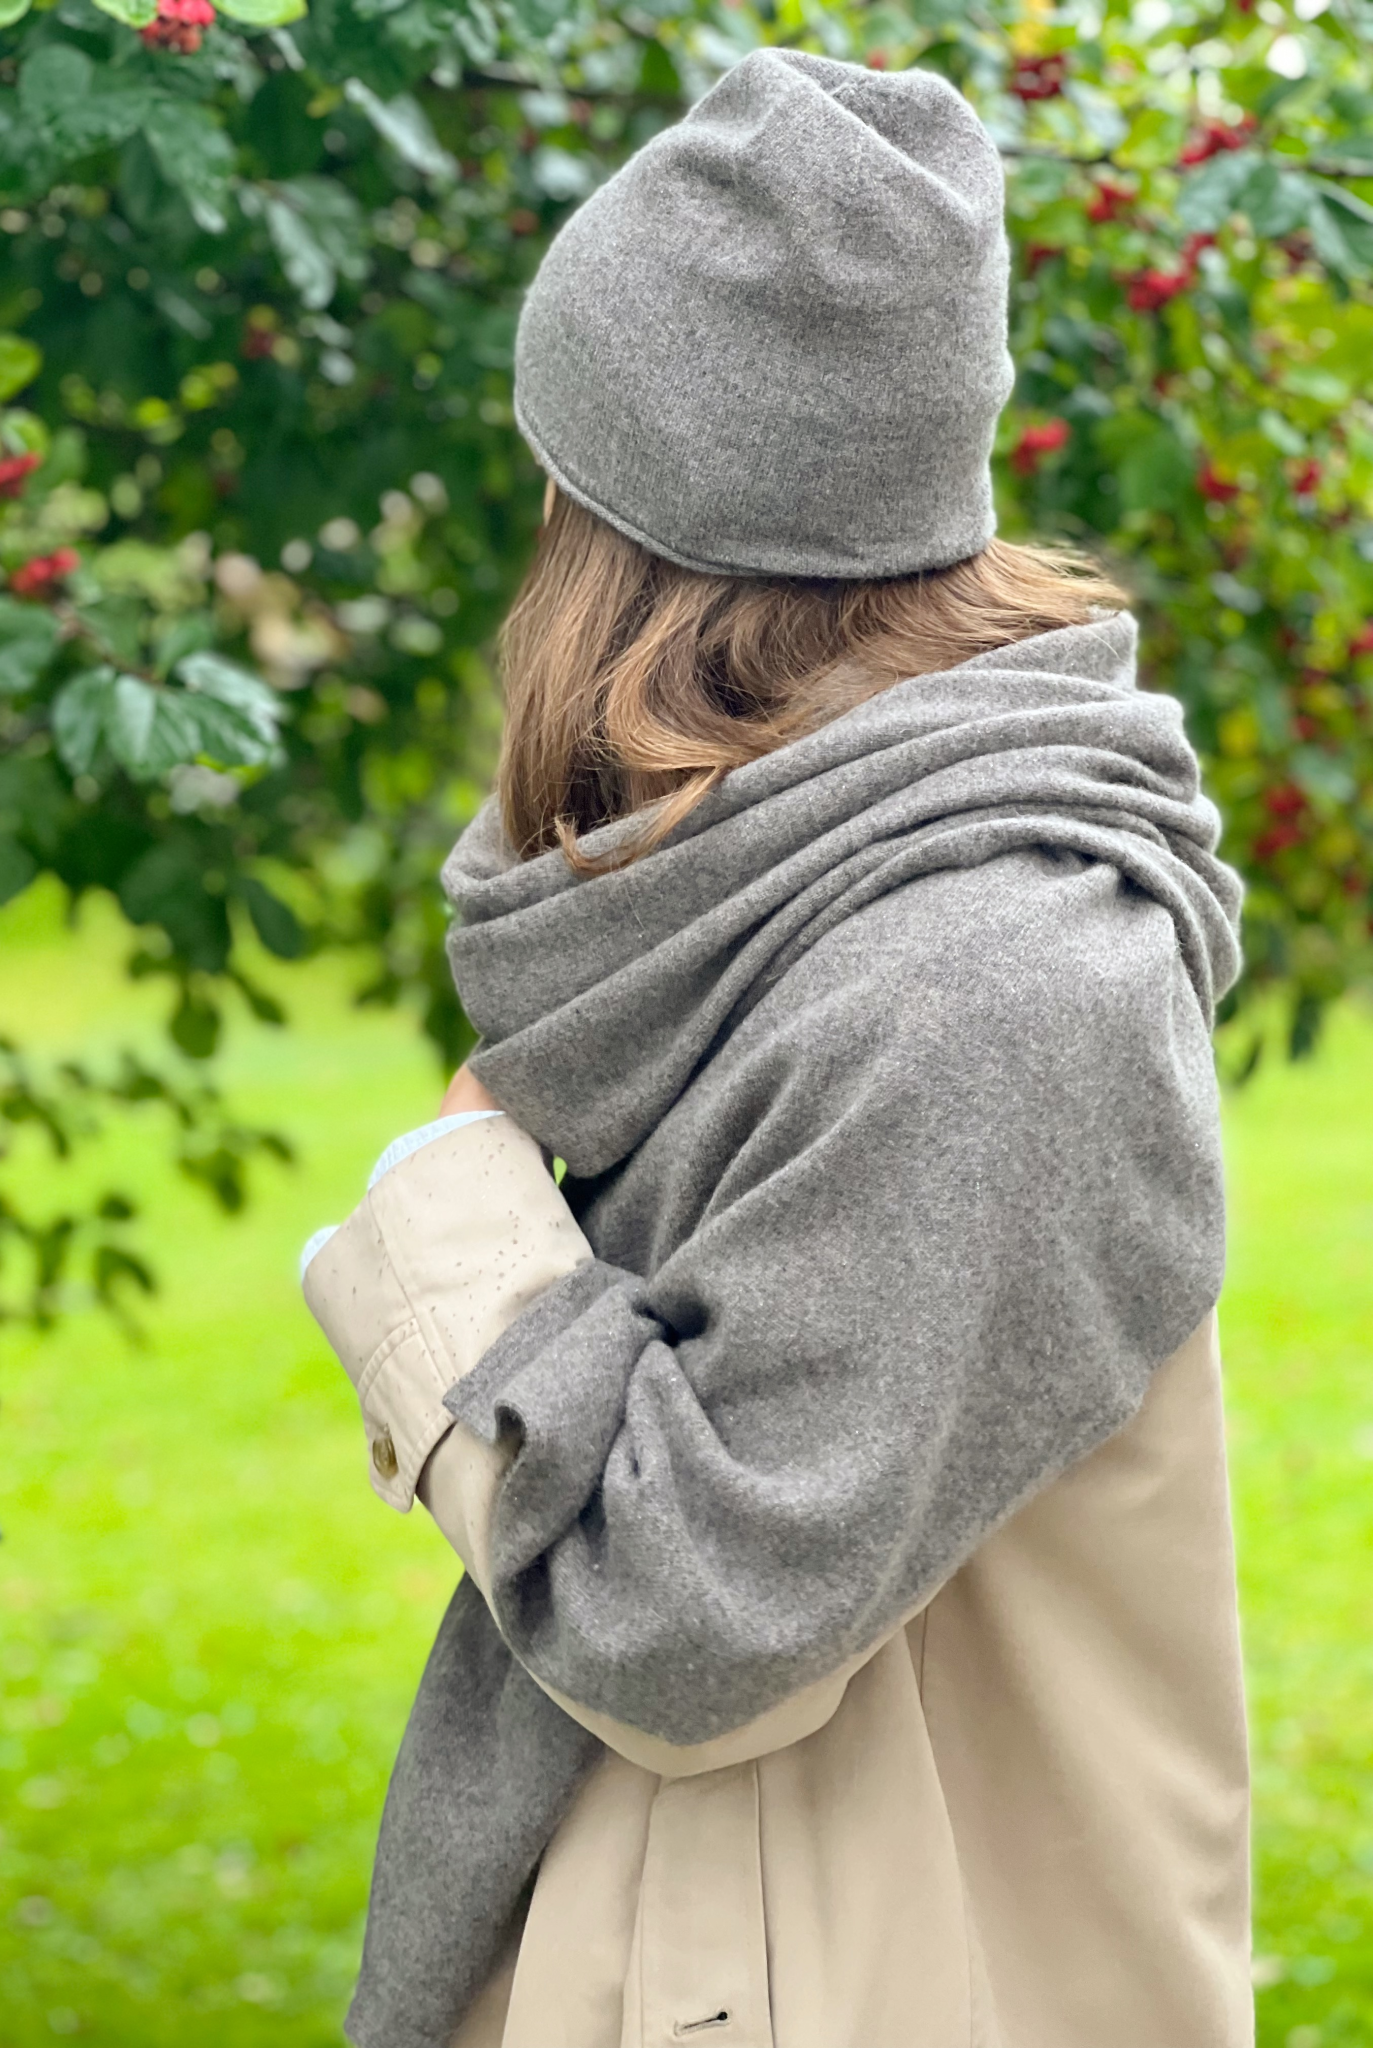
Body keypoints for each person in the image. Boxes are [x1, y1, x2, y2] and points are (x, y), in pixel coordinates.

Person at [303, 47, 1253, 2048]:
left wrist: (455, 1213)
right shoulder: (753, 889)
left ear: (624, 507)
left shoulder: (996, 972)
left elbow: (688, 1621)